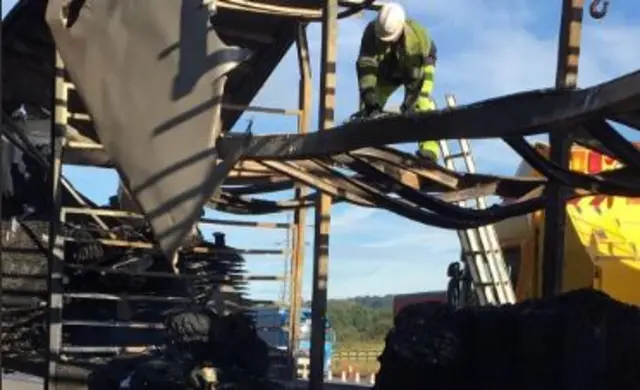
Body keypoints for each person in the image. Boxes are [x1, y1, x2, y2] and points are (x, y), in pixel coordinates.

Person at [356, 2, 439, 162]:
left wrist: (408, 104)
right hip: (390, 66)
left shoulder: (415, 39)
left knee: (421, 102)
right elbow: (366, 65)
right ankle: (370, 150)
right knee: (369, 108)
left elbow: (416, 80)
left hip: (422, 63)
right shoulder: (371, 32)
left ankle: (430, 152)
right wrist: (369, 96)